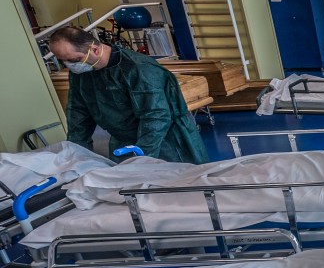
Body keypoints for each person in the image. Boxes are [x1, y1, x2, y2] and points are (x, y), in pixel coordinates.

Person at [47, 26, 209, 164]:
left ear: (94, 49)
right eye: (64, 62)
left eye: (74, 60)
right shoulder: (82, 72)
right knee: (128, 191)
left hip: (166, 141)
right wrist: (76, 153)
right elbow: (78, 113)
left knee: (180, 189)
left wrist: (143, 155)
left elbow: (156, 116)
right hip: (122, 140)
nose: (71, 66)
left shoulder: (138, 69)